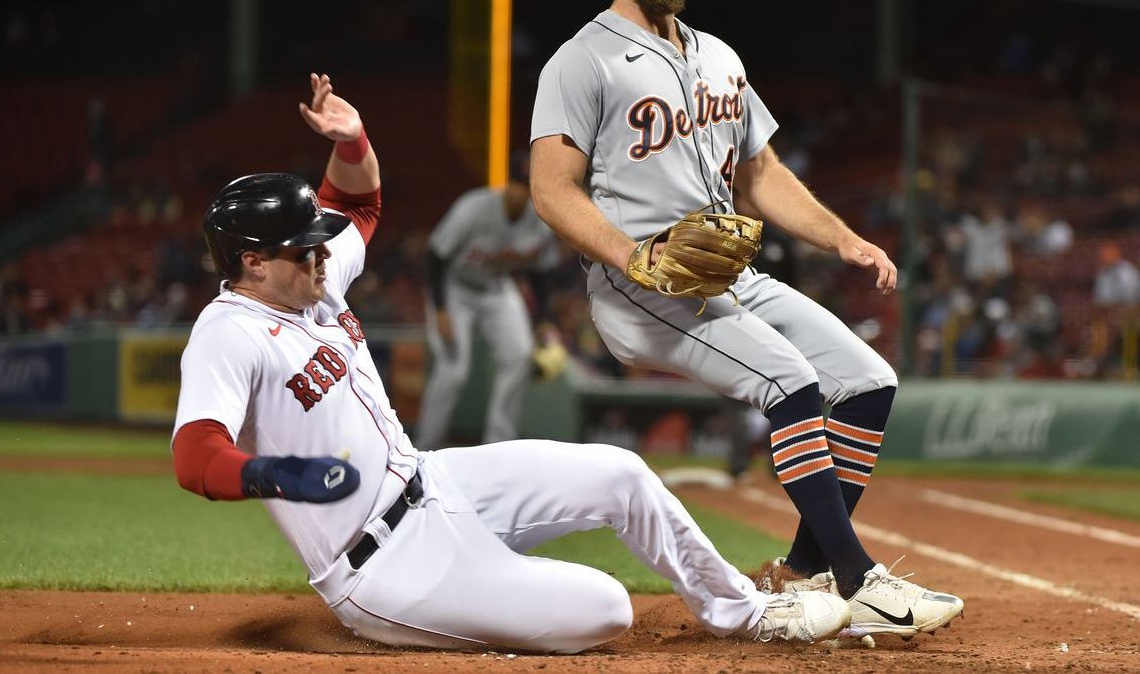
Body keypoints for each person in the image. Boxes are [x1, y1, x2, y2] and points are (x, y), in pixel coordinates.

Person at [171, 73, 851, 653]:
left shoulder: (315, 278)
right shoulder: (229, 331)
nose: (322, 256)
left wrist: (351, 140)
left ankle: (749, 610)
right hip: (382, 566)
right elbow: (196, 456)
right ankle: (479, 586)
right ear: (251, 262)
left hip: (432, 481)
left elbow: (356, 203)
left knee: (622, 474)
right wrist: (272, 473)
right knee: (606, 606)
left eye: (319, 246)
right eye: (302, 250)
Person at [529, 0, 963, 642]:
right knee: (789, 378)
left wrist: (841, 239)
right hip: (640, 285)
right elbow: (551, 188)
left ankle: (805, 572)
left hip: (728, 277)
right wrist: (631, 254)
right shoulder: (581, 60)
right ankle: (857, 579)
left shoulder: (718, 55)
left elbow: (762, 172)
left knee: (867, 378)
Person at [413, 154, 561, 449]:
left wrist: (542, 317)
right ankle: (425, 448)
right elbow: (436, 256)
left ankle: (499, 446)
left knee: (519, 355)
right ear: (507, 184)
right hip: (455, 287)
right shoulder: (474, 207)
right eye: (518, 184)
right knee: (454, 370)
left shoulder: (540, 220)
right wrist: (441, 309)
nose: (522, 192)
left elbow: (540, 273)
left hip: (496, 287)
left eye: (528, 185)